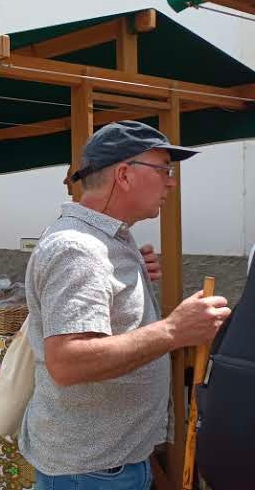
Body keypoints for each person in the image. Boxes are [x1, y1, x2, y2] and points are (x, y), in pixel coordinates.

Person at [20, 121, 232, 489]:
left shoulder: (107, 239)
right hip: (91, 472)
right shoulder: (79, 249)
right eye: (164, 169)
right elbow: (68, 361)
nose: (172, 181)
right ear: (124, 175)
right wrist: (172, 330)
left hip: (108, 463)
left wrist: (129, 278)